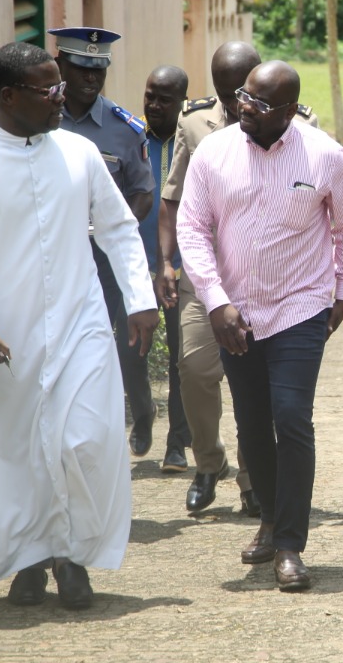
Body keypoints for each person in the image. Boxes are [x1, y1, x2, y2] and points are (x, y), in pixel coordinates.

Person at [0, 42, 159, 608]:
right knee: (18, 454)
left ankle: (72, 553)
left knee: (84, 441)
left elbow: (115, 228)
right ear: (9, 96)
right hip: (2, 338)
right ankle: (33, 558)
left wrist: (140, 298)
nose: (62, 97)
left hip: (79, 323)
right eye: (49, 89)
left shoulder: (78, 153)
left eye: (60, 85)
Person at [177, 61, 343, 591]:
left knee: (291, 418)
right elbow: (192, 229)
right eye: (242, 97)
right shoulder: (213, 152)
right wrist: (215, 301)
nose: (244, 109)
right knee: (253, 424)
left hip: (299, 308)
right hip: (235, 311)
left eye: (259, 104)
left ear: (288, 111)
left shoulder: (324, 155)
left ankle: (289, 545)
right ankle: (266, 521)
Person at [158, 42, 265, 516]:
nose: (233, 102)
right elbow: (172, 197)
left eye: (240, 90)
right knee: (196, 370)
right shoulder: (193, 121)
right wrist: (166, 261)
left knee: (255, 381)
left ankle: (252, 478)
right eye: (224, 92)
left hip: (262, 277)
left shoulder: (295, 119)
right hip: (203, 272)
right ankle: (208, 463)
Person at [50, 27, 157, 458]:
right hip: (53, 255)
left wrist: (113, 229)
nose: (92, 78)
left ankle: (142, 410)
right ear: (60, 65)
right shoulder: (39, 119)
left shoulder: (124, 129)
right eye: (81, 68)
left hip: (104, 257)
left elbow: (143, 191)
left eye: (99, 69)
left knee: (120, 345)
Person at [140, 65, 193, 472]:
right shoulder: (130, 138)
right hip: (135, 267)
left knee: (181, 358)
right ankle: (142, 410)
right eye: (150, 96)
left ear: (182, 103)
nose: (155, 105)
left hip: (180, 268)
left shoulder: (195, 142)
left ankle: (178, 442)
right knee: (130, 350)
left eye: (165, 99)